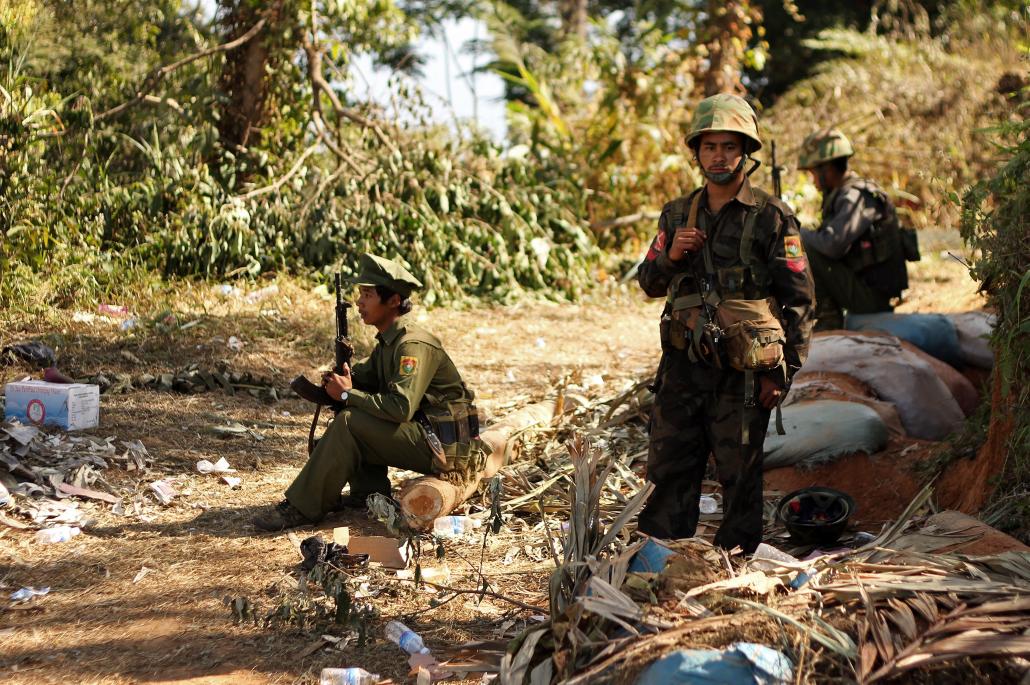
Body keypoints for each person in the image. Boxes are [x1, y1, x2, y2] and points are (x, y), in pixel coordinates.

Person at [636, 93, 815, 554]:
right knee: (671, 464)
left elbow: (799, 299)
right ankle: (662, 562)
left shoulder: (772, 216)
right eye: (710, 146)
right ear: (696, 152)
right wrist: (674, 254)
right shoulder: (677, 215)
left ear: (745, 152)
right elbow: (649, 282)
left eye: (729, 146)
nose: (719, 156)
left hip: (743, 371)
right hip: (683, 366)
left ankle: (736, 568)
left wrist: (783, 371)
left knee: (739, 474)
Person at [254, 254, 487, 531]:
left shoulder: (412, 345)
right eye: (360, 294)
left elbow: (401, 407)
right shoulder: (389, 342)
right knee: (353, 411)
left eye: (368, 294)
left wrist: (346, 395)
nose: (360, 302)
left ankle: (301, 508)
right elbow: (366, 381)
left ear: (393, 301)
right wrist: (342, 379)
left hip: (448, 450)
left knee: (351, 421)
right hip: (431, 436)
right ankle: (367, 494)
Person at [797, 129, 910, 330]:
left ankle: (828, 318)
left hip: (872, 299)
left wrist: (798, 232)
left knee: (803, 243)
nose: (813, 180)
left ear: (828, 169)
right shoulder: (845, 194)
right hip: (866, 290)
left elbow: (832, 245)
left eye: (813, 172)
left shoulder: (856, 196)